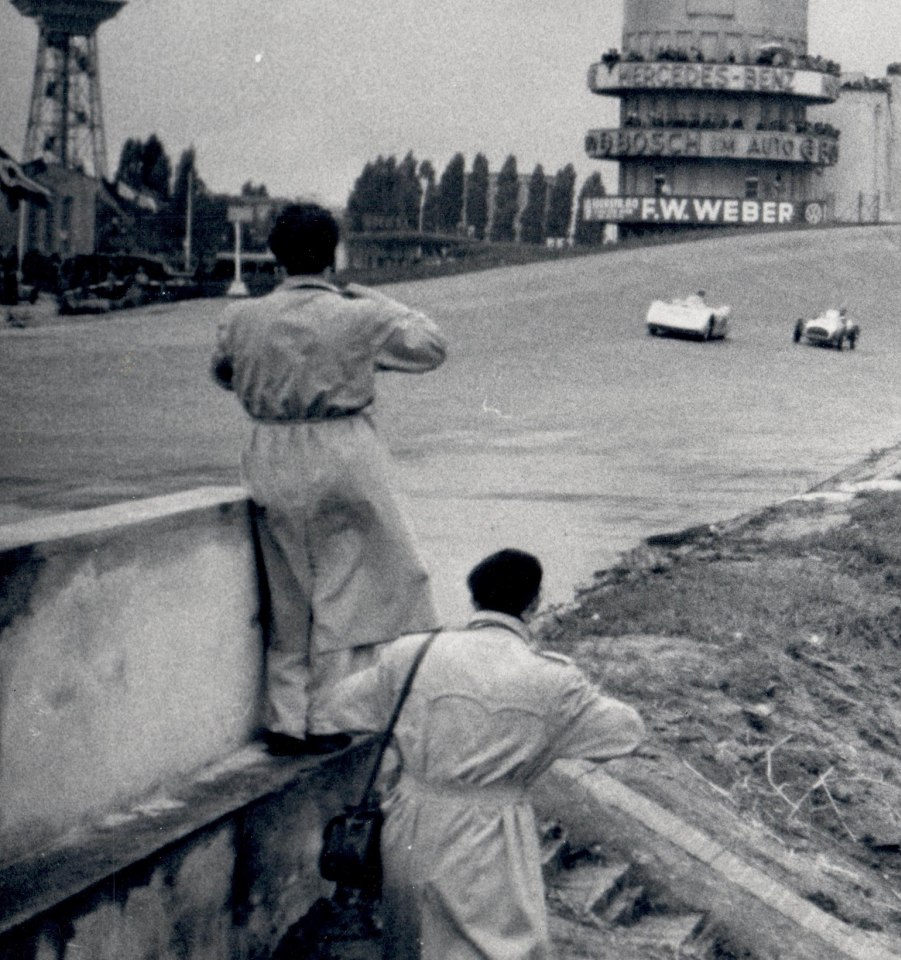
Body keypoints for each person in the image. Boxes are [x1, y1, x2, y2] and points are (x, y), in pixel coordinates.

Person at [212, 203, 447, 756]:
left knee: (288, 588)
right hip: (340, 447)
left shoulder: (241, 317)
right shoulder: (356, 315)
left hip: (270, 448)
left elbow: (225, 374)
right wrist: (378, 303)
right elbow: (431, 347)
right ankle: (327, 717)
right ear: (334, 251)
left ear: (276, 254)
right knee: (344, 585)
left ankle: (285, 717)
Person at [334, 549, 645, 960]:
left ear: (473, 597)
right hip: (494, 826)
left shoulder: (412, 653)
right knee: (498, 943)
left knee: (413, 939)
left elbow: (341, 707)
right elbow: (625, 733)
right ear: (533, 604)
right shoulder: (552, 677)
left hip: (412, 819)